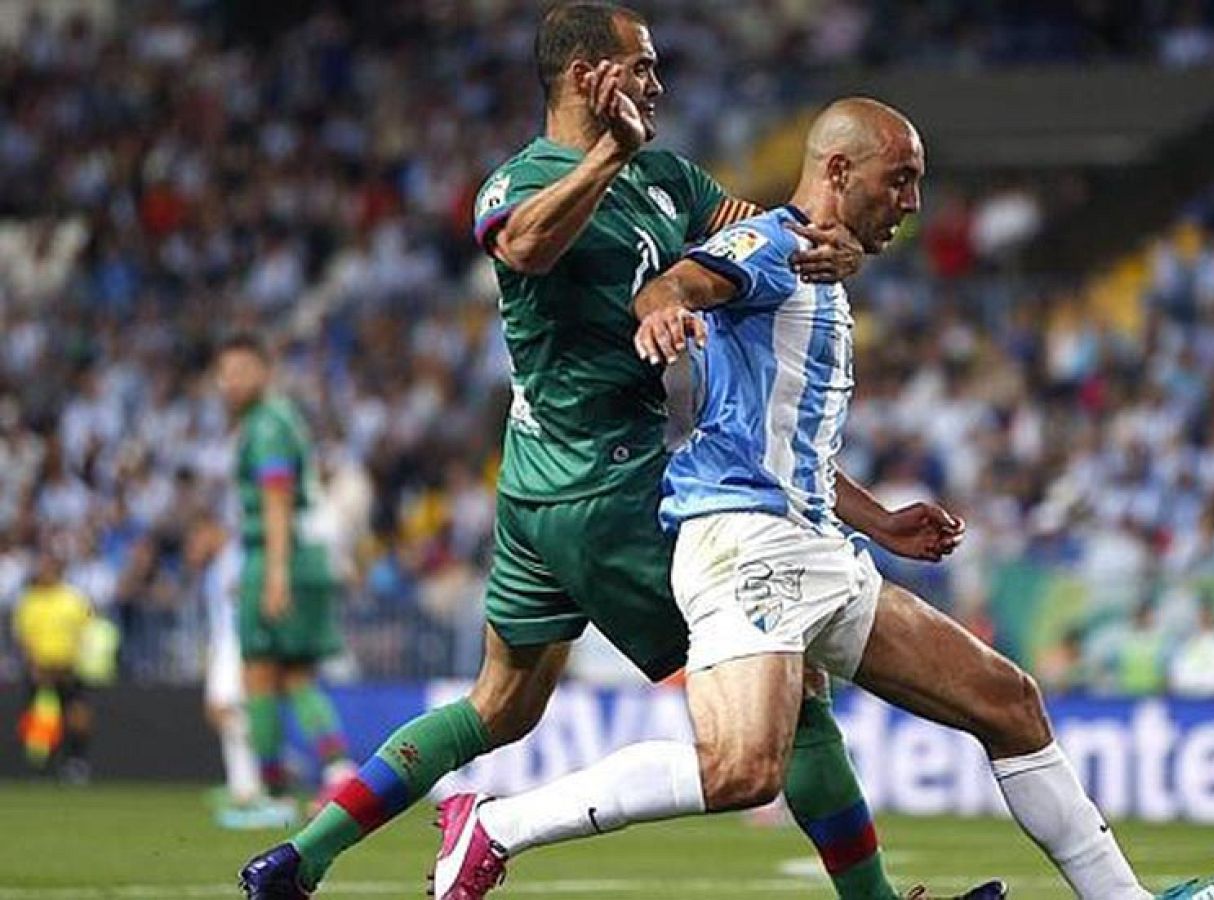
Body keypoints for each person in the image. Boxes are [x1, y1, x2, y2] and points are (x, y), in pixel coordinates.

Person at [242, 6, 997, 900]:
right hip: (607, 487)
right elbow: (525, 248)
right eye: (640, 67)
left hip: (543, 492)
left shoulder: (669, 178)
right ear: (587, 76)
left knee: (502, 707)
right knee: (790, 702)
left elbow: (776, 234)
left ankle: (300, 858)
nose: (657, 84)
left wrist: (835, 245)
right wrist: (609, 154)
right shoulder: (517, 181)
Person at [429, 98, 1214, 900]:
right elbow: (675, 287)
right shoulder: (767, 247)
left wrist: (882, 521)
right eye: (899, 179)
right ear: (837, 169)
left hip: (815, 545)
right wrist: (662, 313)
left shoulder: (816, 262)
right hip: (745, 546)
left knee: (1009, 703)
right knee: (741, 770)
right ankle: (500, 825)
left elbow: (784, 437)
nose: (913, 202)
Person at [215, 334, 356, 811]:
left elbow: (276, 499)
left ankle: (270, 790)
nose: (228, 383)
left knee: (258, 672)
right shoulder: (279, 419)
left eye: (239, 371)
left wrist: (273, 573)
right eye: (223, 374)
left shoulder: (266, 425)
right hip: (304, 555)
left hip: (283, 555)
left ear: (263, 371)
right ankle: (336, 773)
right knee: (297, 676)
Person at [189, 519, 298, 828]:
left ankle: (263, 783)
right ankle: (248, 785)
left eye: (196, 540)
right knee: (224, 713)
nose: (193, 550)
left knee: (233, 710)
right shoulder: (217, 566)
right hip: (225, 640)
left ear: (209, 530)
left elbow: (254, 593)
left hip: (242, 639)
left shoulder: (240, 557)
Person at [12, 551, 94, 782]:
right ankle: (41, 766)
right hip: (40, 670)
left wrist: (75, 659)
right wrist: (34, 664)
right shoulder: (30, 600)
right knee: (42, 720)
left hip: (67, 668)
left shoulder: (73, 599)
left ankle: (76, 762)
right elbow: (23, 636)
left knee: (78, 716)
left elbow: (86, 630)